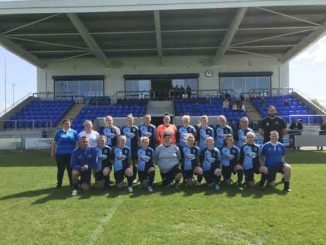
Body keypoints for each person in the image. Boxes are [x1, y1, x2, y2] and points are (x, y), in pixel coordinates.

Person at [51, 118, 78, 188]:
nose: (67, 125)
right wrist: (52, 152)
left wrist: (77, 153)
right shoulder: (58, 132)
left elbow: (77, 143)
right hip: (60, 154)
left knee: (70, 169)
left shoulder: (74, 132)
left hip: (71, 154)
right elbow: (54, 143)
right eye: (65, 124)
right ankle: (59, 183)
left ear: (70, 124)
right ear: (62, 124)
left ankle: (72, 182)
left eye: (68, 124)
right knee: (60, 169)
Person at [121, 114, 139, 183]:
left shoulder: (136, 128)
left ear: (133, 120)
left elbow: (138, 139)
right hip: (125, 148)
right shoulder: (124, 128)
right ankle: (125, 176)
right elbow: (121, 138)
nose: (130, 121)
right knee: (125, 163)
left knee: (134, 163)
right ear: (127, 120)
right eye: (128, 120)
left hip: (134, 148)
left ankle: (134, 177)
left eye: (131, 120)